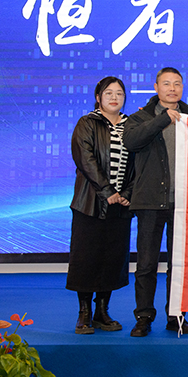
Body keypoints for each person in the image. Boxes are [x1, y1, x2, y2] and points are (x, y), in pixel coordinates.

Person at [124, 67, 188, 337]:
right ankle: (143, 316)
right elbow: (131, 142)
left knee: (179, 265)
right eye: (166, 83)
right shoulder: (140, 118)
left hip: (183, 203)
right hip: (149, 201)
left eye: (177, 83)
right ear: (156, 87)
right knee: (146, 264)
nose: (172, 88)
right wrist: (162, 120)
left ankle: (176, 315)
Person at [67, 76, 134, 334]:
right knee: (87, 257)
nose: (114, 97)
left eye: (119, 93)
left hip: (120, 205)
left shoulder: (131, 126)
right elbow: (85, 159)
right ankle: (83, 313)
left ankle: (102, 311)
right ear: (98, 97)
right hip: (90, 202)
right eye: (108, 93)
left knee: (112, 259)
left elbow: (138, 163)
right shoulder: (87, 123)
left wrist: (126, 192)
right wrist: (107, 191)